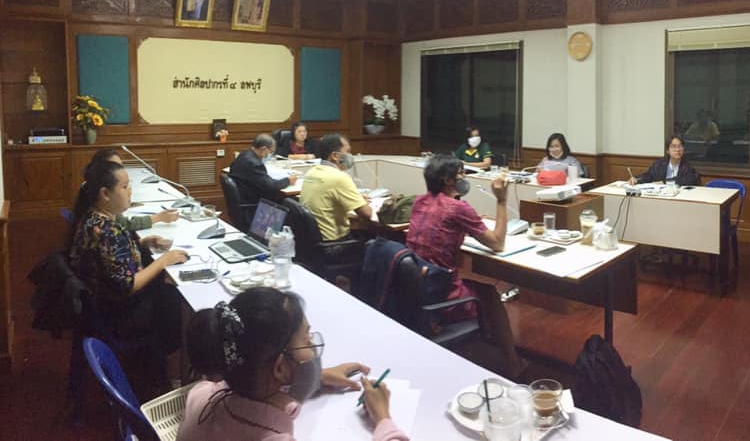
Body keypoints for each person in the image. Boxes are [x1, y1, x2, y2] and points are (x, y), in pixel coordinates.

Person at [178, 287, 408, 441]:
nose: (313, 347)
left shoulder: (202, 394)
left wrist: (315, 378)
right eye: (307, 340)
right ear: (280, 368)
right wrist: (383, 419)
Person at [68, 160, 188, 387]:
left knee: (166, 288)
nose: (130, 191)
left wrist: (142, 244)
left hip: (104, 303)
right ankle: (169, 372)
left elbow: (110, 258)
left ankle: (161, 363)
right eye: (124, 187)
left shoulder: (95, 218)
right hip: (118, 313)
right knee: (177, 300)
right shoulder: (106, 231)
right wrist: (163, 261)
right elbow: (128, 285)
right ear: (105, 194)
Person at [406, 153, 523, 377]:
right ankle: (512, 362)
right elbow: (497, 243)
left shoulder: (420, 201)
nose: (464, 178)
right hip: (440, 290)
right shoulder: (458, 208)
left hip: (416, 284)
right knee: (489, 293)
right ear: (448, 180)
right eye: (461, 174)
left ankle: (489, 344)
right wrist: (501, 200)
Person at [300, 134, 371, 241]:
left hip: (313, 240)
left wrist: (357, 200)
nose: (350, 156)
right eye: (348, 151)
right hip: (334, 242)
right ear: (335, 156)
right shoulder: (339, 177)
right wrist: (363, 202)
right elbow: (367, 214)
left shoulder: (312, 172)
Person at [88, 149, 180, 231]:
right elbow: (125, 224)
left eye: (121, 166)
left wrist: (143, 242)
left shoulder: (99, 204)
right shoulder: (106, 231)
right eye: (124, 187)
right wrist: (158, 218)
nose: (130, 189)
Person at [229, 134, 297, 228]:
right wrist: (288, 180)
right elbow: (271, 187)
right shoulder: (254, 164)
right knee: (290, 203)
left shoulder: (244, 155)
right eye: (271, 152)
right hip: (254, 205)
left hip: (243, 200)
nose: (270, 155)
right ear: (263, 149)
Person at [628, 135, 700, 186]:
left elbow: (689, 180)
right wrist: (637, 179)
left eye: (680, 146)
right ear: (667, 151)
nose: (677, 149)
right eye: (673, 146)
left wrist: (665, 182)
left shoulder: (688, 165)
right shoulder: (659, 164)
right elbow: (649, 176)